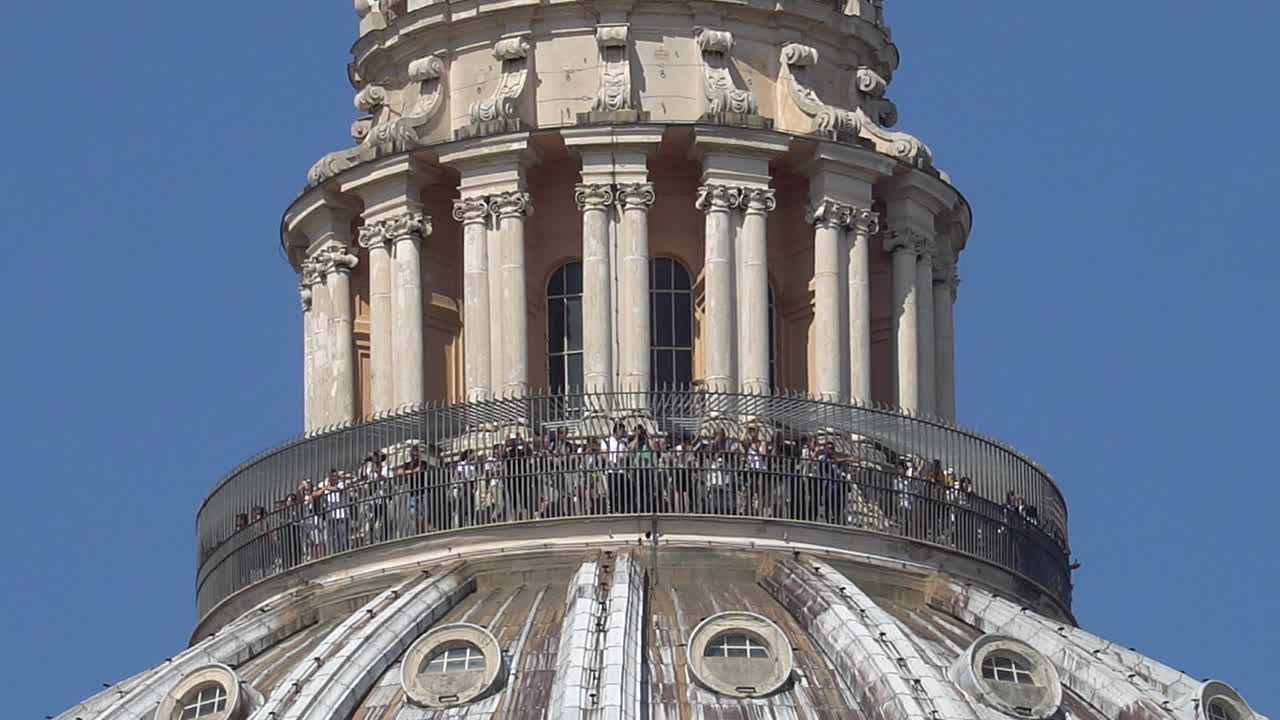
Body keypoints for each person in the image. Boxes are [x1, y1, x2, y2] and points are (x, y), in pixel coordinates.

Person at [323, 469, 350, 553]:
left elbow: (338, 489)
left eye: (335, 476)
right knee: (332, 536)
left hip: (342, 515)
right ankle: (335, 552)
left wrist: (327, 488)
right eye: (332, 476)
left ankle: (346, 551)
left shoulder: (341, 484)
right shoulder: (327, 487)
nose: (333, 478)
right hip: (331, 515)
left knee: (343, 535)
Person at [605, 422, 630, 514]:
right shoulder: (607, 441)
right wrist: (611, 461)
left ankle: (621, 510)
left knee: (622, 492)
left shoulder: (623, 442)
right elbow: (604, 454)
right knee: (612, 491)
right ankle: (611, 509)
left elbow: (627, 454)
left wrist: (625, 455)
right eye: (622, 431)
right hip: (612, 470)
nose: (623, 433)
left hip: (621, 470)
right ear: (617, 430)